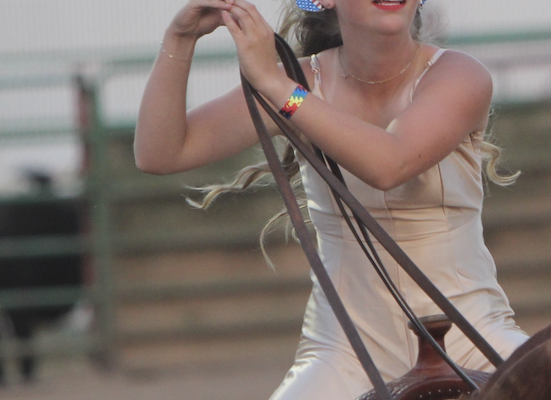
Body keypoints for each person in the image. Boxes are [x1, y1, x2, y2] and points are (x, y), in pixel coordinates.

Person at [134, 0, 529, 398]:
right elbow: (160, 153)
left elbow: (389, 165)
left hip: (472, 336)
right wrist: (180, 39)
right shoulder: (298, 80)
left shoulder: (460, 74)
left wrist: (279, 89)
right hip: (344, 354)